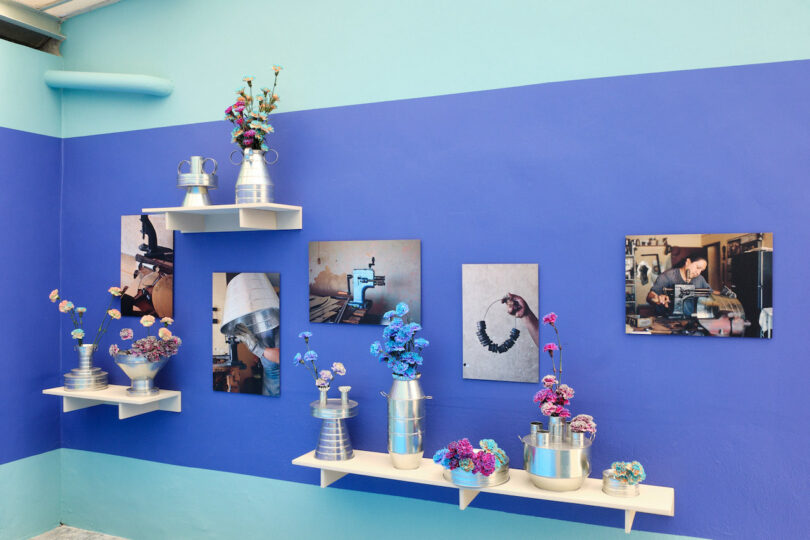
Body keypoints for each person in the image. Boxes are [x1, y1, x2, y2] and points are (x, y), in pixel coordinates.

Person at [647, 257, 712, 315]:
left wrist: (721, 295)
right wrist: (658, 298)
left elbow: (710, 293)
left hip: (688, 320)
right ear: (688, 262)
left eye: (701, 270)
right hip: (666, 320)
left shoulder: (700, 279)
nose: (698, 272)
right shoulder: (667, 276)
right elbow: (650, 296)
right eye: (697, 267)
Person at [233, 324, 280, 396]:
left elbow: (280, 358)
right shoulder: (261, 318)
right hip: (268, 374)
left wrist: (256, 348)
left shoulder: (279, 320)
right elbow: (267, 341)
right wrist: (258, 356)